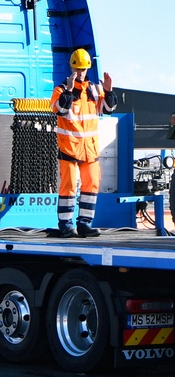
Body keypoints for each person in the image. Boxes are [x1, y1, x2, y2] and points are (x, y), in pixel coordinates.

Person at [47, 48, 117, 238]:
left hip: (90, 149)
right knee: (69, 187)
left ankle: (84, 223)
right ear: (72, 68)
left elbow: (108, 108)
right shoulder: (61, 89)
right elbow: (59, 109)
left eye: (84, 69)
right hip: (69, 148)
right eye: (78, 69)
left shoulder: (95, 90)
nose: (81, 73)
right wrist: (69, 91)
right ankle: (66, 225)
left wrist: (109, 91)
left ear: (88, 69)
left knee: (92, 184)